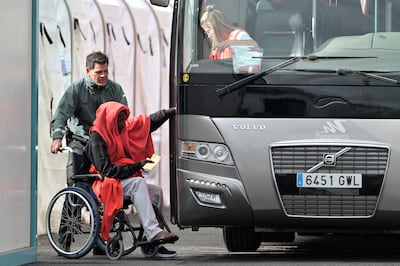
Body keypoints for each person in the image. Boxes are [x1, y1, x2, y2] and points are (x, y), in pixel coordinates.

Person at [50, 51, 176, 257]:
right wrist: (57, 137)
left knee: (131, 186)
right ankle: (64, 242)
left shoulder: (115, 89)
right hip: (83, 146)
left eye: (106, 71)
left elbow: (124, 121)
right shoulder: (76, 90)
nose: (103, 75)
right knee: (76, 194)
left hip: (108, 145)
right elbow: (62, 113)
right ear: (88, 71)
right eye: (98, 72)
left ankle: (118, 241)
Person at [85, 101, 179, 257]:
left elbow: (147, 122)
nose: (123, 123)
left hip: (120, 180)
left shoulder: (120, 129)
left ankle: (152, 242)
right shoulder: (97, 138)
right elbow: (108, 171)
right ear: (109, 119)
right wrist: (137, 166)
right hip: (105, 183)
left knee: (156, 192)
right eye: (119, 120)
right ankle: (153, 232)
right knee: (138, 183)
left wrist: (171, 112)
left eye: (123, 119)